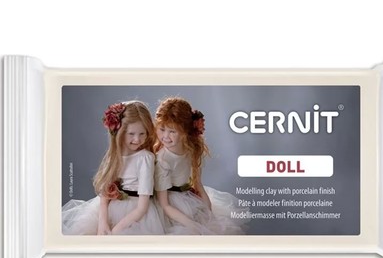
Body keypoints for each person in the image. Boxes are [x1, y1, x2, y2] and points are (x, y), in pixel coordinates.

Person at [62, 101, 164, 235]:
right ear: (119, 132)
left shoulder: (145, 158)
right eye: (131, 134)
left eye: (142, 133)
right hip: (110, 209)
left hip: (136, 216)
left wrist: (116, 230)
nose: (137, 139)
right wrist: (102, 222)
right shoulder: (115, 156)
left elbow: (142, 207)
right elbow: (104, 195)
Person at [154, 96, 248, 235]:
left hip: (188, 198)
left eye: (172, 131)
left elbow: (198, 184)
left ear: (185, 132)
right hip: (170, 208)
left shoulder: (191, 150)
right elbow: (165, 205)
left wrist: (209, 214)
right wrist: (192, 225)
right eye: (162, 129)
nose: (166, 136)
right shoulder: (162, 160)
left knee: (214, 228)